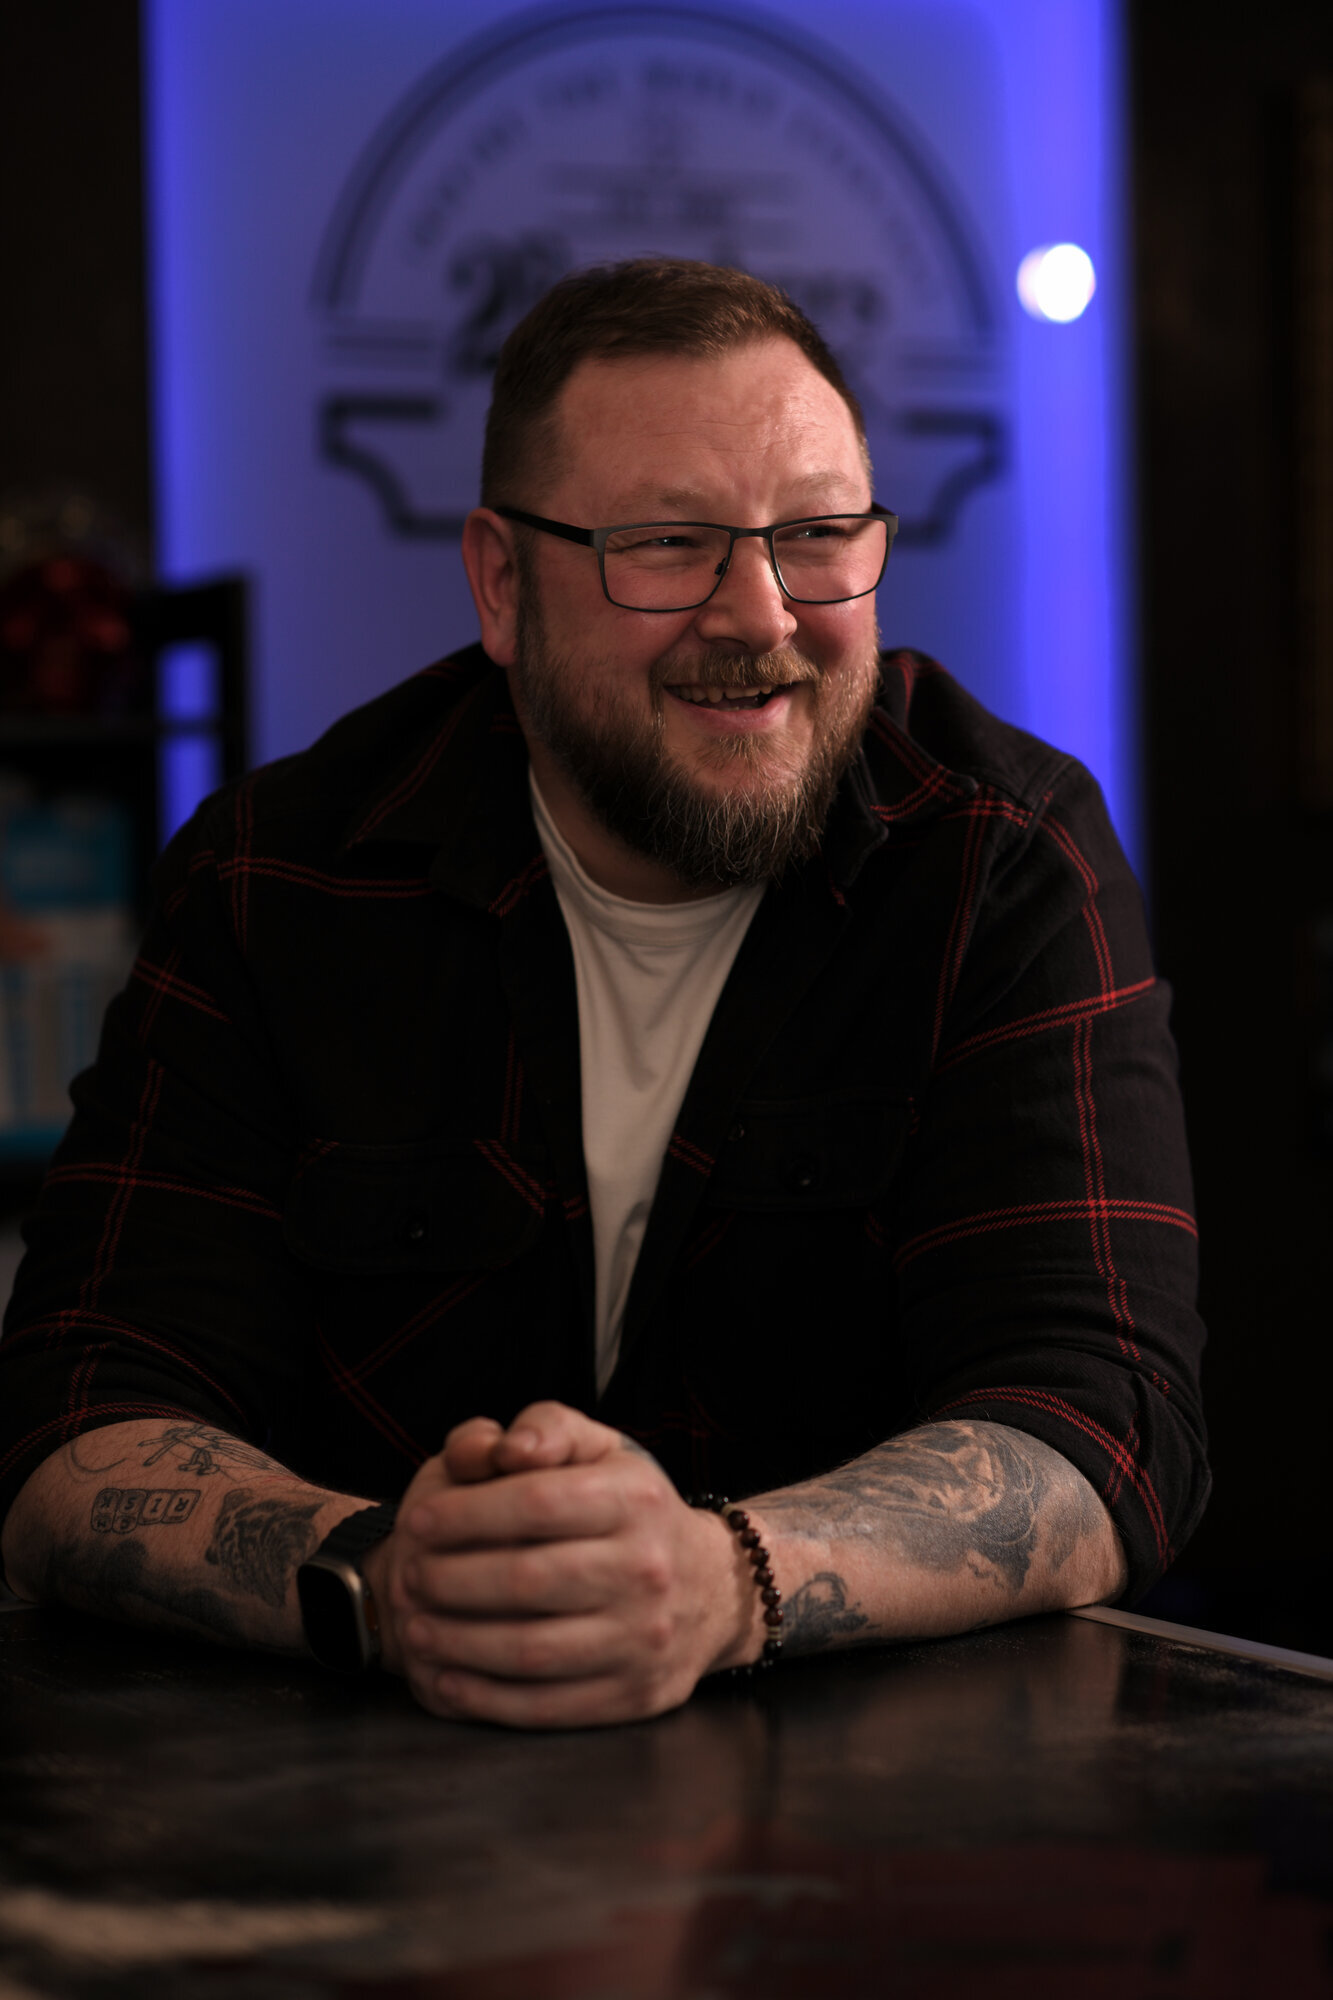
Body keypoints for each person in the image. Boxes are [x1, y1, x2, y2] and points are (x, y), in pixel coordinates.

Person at [0, 260, 1207, 1728]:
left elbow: (1103, 1423)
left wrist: (723, 1582)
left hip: (878, 1810)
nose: (760, 616)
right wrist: (386, 1578)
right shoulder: (272, 882)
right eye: (667, 544)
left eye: (817, 535)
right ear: (501, 586)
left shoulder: (1001, 860)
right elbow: (73, 1411)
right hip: (358, 1802)